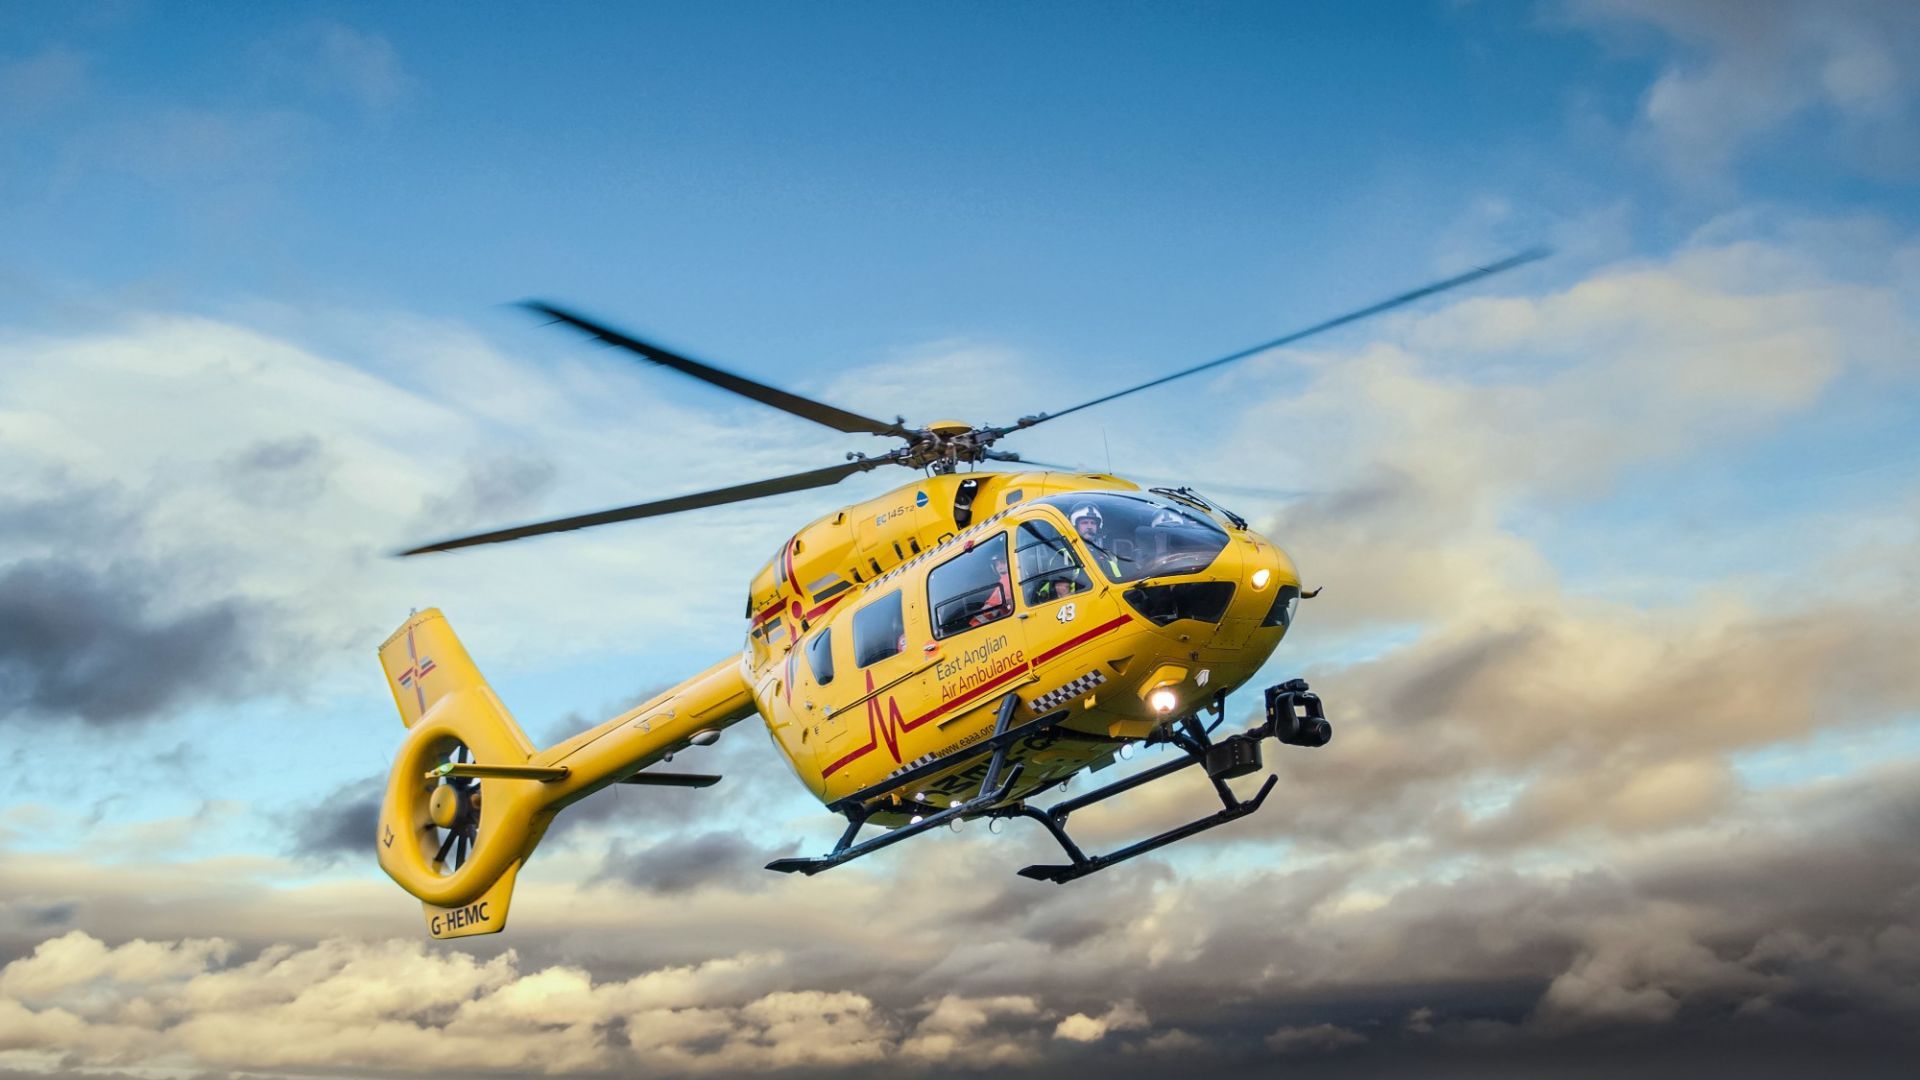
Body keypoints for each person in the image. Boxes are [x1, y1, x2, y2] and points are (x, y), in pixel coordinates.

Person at [1070, 503, 1125, 579]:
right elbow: (1062, 589)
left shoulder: (1108, 555)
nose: (1089, 527)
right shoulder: (1065, 554)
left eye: (1093, 523)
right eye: (1084, 523)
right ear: (1075, 526)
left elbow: (1119, 580)